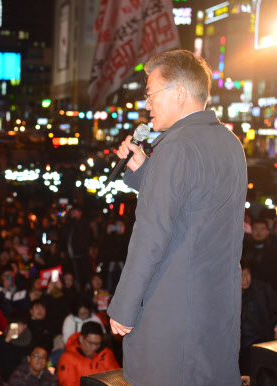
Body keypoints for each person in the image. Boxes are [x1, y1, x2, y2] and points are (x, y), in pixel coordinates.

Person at [108, 49, 247, 385]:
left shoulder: (176, 147)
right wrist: (146, 171)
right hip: (216, 310)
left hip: (174, 315)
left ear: (180, 93)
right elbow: (194, 205)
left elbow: (151, 235)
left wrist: (123, 306)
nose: (147, 105)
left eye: (151, 94)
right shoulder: (230, 143)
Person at [239, 263, 277, 375]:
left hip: (266, 345)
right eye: (240, 275)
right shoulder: (229, 296)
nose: (244, 279)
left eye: (246, 274)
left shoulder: (263, 289)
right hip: (244, 352)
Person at [57, 321, 119, 386]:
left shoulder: (106, 354)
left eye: (97, 344)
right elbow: (68, 384)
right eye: (90, 343)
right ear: (81, 339)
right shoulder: (68, 358)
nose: (94, 347)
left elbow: (117, 380)